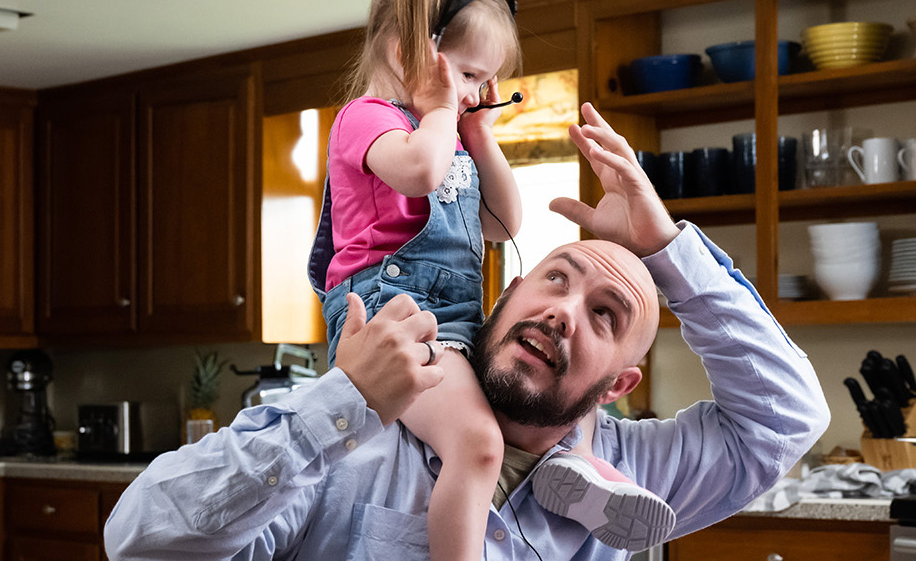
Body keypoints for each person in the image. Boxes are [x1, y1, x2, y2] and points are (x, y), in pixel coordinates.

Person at [104, 102, 830, 561]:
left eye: (605, 314)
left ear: (619, 385)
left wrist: (665, 249)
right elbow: (142, 539)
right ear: (505, 295)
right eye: (556, 277)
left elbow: (788, 419)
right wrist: (337, 410)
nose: (564, 310)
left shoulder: (630, 477)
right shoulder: (355, 433)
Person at [305, 0, 668, 558]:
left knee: (551, 401)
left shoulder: (445, 133)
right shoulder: (368, 118)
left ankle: (572, 468)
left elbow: (502, 223)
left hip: (454, 320)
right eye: (468, 74)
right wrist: (443, 110)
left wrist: (480, 134)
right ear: (408, 56)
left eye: (483, 79)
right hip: (396, 319)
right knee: (477, 442)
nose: (475, 92)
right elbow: (420, 173)